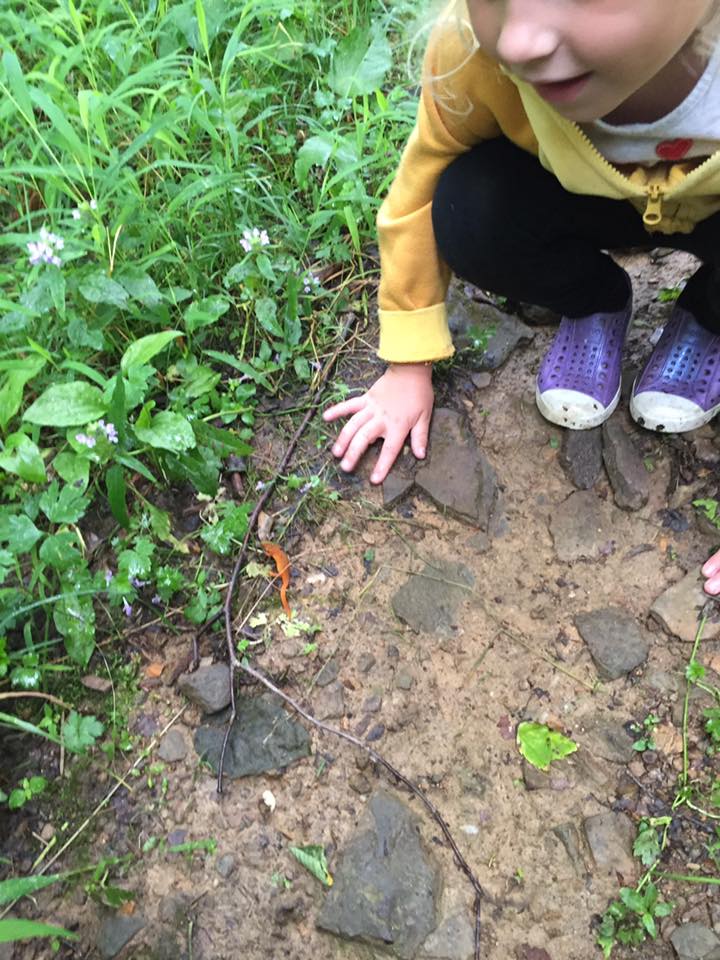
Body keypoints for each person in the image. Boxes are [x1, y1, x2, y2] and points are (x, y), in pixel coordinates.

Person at [323, 0, 720, 591]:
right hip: (585, 197)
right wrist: (407, 363)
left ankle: (709, 314)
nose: (519, 40)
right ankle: (594, 298)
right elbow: (424, 179)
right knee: (466, 209)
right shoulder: (474, 50)